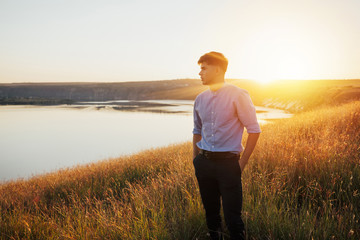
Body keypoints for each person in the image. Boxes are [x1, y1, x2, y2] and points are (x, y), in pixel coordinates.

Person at [192, 51, 261, 240]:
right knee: (211, 216)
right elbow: (196, 130)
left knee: (233, 220)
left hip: (229, 165)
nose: (200, 73)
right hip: (204, 164)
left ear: (218, 69)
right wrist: (195, 159)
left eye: (204, 69)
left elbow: (254, 130)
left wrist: (242, 164)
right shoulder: (200, 99)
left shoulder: (238, 95)